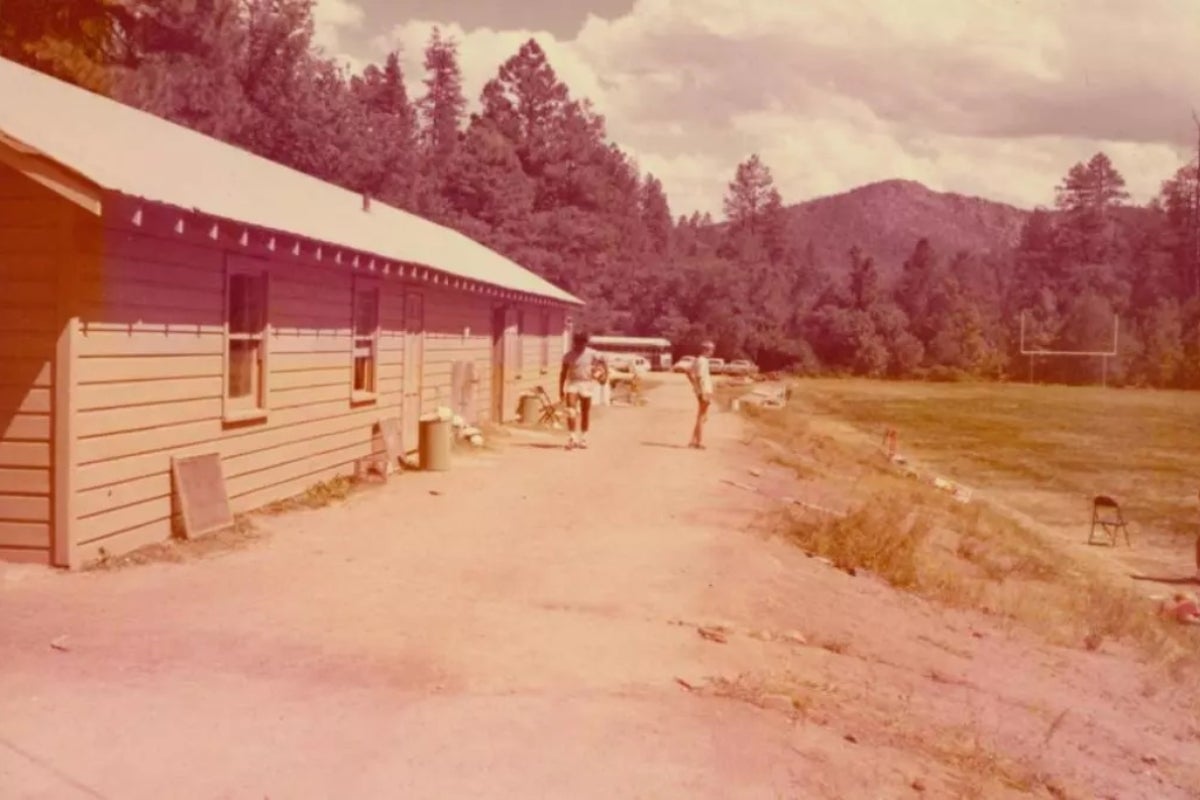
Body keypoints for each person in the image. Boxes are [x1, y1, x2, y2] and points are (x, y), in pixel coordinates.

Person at [559, 332, 608, 450]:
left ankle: (583, 438)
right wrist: (560, 389)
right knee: (570, 410)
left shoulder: (592, 354)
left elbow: (604, 360)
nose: (580, 345)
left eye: (583, 343)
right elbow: (563, 373)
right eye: (578, 342)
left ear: (585, 343)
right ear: (574, 342)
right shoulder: (568, 356)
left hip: (587, 384)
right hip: (573, 384)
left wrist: (604, 374)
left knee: (585, 412)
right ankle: (572, 438)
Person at [687, 340, 715, 449]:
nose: (712, 352)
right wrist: (702, 391)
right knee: (702, 417)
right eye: (711, 349)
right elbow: (700, 377)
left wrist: (695, 386)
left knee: (702, 416)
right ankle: (699, 442)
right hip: (705, 391)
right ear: (706, 350)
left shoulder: (697, 360)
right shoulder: (703, 361)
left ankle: (693, 440)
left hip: (702, 390)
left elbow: (688, 372)